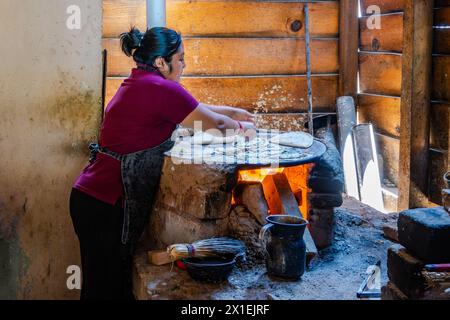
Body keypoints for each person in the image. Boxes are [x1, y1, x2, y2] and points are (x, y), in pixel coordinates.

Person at [69, 26, 256, 300]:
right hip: (105, 204)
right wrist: (242, 127)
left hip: (92, 199)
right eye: (180, 58)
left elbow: (199, 109)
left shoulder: (143, 82)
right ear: (160, 62)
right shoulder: (160, 89)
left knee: (104, 286)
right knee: (106, 289)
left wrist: (237, 113)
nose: (184, 64)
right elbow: (215, 124)